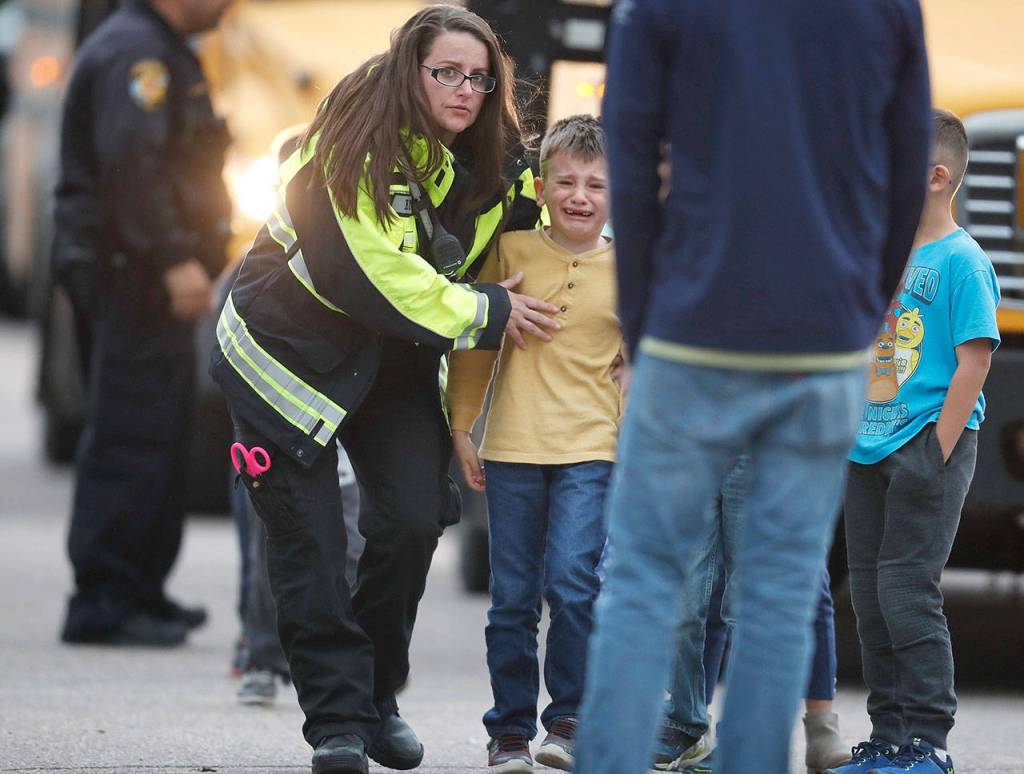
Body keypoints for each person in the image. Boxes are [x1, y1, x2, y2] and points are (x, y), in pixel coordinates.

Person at [572, 1, 933, 773]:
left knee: (643, 581)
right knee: (778, 596)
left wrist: (644, 317)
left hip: (691, 326)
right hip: (825, 334)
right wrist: (860, 305)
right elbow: (907, 170)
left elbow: (628, 156)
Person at [210, 6, 557, 773]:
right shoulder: (352, 145)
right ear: (411, 70)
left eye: (480, 78)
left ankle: (372, 697)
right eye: (447, 73)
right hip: (287, 352)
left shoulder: (491, 158)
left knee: (408, 520)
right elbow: (369, 273)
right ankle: (338, 723)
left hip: (391, 350)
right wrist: (488, 311)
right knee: (314, 543)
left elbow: (554, 216)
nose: (465, 91)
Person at [55, 0, 234, 647]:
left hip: (144, 272)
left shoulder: (156, 46)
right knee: (131, 433)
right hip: (133, 271)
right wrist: (173, 257)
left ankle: (140, 591)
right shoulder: (139, 55)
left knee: (160, 431)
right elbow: (134, 167)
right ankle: (103, 600)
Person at [447, 115, 622, 773]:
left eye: (597, 184)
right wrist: (464, 427)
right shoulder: (512, 252)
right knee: (512, 597)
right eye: (567, 181)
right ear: (542, 187)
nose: (580, 195)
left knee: (576, 583)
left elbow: (640, 360)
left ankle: (568, 720)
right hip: (513, 447)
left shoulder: (631, 270)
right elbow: (476, 344)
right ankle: (510, 731)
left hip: (592, 447)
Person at [828, 109, 1000, 774]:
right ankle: (890, 740)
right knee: (870, 601)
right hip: (866, 446)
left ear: (933, 176)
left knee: (907, 594)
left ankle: (930, 742)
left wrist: (940, 446)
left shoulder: (962, 261)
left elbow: (975, 359)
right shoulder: (885, 255)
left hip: (926, 446)